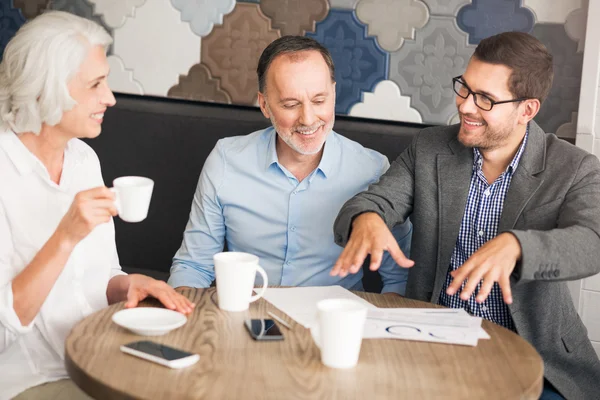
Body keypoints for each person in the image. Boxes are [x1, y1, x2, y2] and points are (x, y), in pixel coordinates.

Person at [332, 32, 600, 399]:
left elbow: (592, 243)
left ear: (527, 110)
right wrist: (367, 219)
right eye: (465, 88)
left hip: (538, 360)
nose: (466, 106)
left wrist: (517, 246)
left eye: (486, 99)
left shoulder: (575, 168)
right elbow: (376, 200)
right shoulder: (429, 148)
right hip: (432, 347)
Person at [0, 11, 193, 400]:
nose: (110, 98)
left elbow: (99, 274)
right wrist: (65, 237)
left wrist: (125, 285)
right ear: (45, 88)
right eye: (95, 84)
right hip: (29, 381)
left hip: (98, 359)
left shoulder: (83, 159)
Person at [168, 36, 412, 294]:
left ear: (334, 94)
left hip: (330, 322)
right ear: (264, 104)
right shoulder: (226, 159)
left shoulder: (372, 170)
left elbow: (400, 278)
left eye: (319, 101)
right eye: (290, 104)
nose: (308, 119)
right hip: (245, 317)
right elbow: (194, 266)